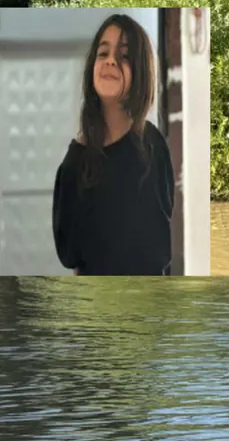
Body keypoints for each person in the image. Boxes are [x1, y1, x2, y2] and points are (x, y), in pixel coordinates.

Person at [52, 14, 175, 276]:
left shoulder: (153, 146)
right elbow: (69, 253)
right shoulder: (76, 161)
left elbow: (160, 249)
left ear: (140, 72)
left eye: (124, 56)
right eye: (103, 53)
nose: (110, 61)